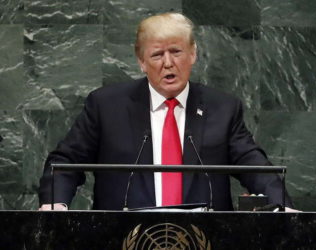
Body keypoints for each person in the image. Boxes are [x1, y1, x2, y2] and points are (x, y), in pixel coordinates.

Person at [39, 12, 293, 211]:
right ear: (141, 62)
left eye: (176, 51)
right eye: (157, 54)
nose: (168, 63)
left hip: (202, 239)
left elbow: (255, 166)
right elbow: (65, 162)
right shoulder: (106, 106)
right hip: (124, 238)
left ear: (193, 53)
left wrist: (282, 205)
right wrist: (55, 204)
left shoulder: (222, 108)